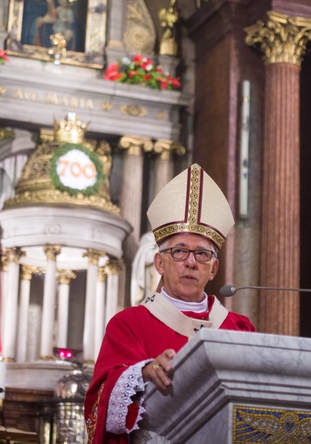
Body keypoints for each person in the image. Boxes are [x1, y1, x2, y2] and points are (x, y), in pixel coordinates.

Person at [85, 163, 256, 444]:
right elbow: (98, 401)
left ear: (213, 270)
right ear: (159, 263)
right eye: (179, 251)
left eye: (202, 254)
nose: (191, 262)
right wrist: (143, 374)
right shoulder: (129, 323)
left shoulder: (239, 327)